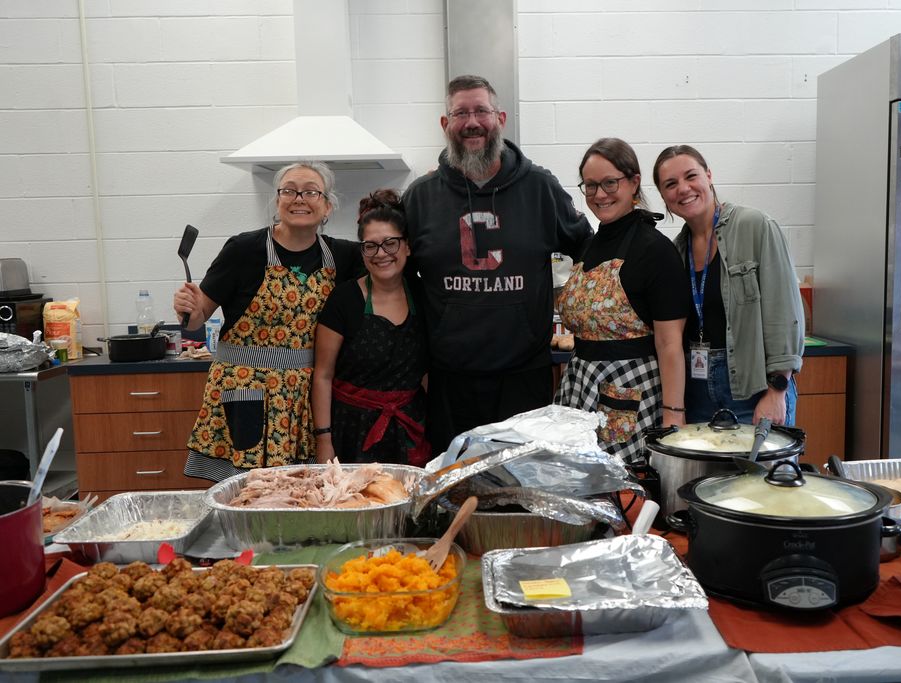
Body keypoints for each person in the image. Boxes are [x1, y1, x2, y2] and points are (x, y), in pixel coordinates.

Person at [402, 74, 593, 453]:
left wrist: (577, 309)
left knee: (520, 485)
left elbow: (587, 248)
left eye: (481, 111)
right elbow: (400, 277)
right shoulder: (421, 197)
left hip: (525, 374)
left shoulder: (540, 188)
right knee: (453, 485)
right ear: (445, 124)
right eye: (460, 113)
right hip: (449, 378)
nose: (472, 122)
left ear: (500, 118)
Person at [173, 161, 362, 481]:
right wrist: (187, 308)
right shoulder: (244, 249)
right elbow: (197, 319)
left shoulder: (342, 257)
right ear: (277, 201)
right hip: (244, 388)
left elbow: (389, 260)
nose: (299, 198)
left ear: (327, 206)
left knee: (298, 492)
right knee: (244, 493)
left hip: (301, 400)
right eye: (289, 190)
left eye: (311, 192)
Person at [554, 138, 688, 464]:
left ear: (634, 182)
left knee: (625, 497)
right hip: (581, 385)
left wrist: (673, 417)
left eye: (610, 182)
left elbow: (670, 344)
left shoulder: (655, 250)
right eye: (590, 186)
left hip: (632, 393)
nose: (600, 194)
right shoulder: (591, 245)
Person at [653, 145, 804, 426]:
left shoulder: (755, 226)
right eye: (670, 184)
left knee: (759, 471)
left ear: (709, 175)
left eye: (691, 176)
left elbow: (784, 313)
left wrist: (777, 390)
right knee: (707, 473)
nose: (683, 189)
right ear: (663, 196)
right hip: (696, 394)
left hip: (754, 390)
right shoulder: (675, 252)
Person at [311, 190, 429, 467]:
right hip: (350, 430)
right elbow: (323, 376)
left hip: (410, 427)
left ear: (407, 247)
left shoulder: (424, 296)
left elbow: (425, 372)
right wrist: (323, 440)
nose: (381, 254)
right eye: (370, 246)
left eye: (390, 243)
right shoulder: (345, 299)